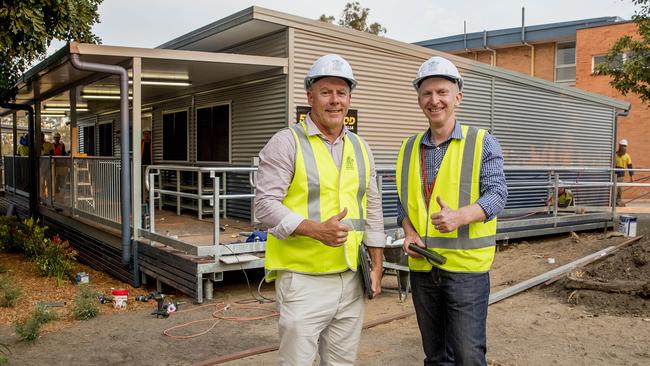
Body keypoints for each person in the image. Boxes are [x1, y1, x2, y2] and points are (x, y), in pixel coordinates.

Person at [254, 54, 385, 365]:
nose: (335, 101)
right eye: (326, 92)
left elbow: (373, 207)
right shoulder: (286, 143)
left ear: (350, 98)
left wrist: (377, 266)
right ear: (310, 96)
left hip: (352, 277)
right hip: (303, 281)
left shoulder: (361, 147)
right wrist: (315, 230)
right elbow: (264, 206)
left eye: (342, 93)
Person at [396, 56, 508, 366]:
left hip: (466, 272)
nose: (435, 100)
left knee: (468, 356)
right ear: (420, 100)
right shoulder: (407, 148)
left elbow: (498, 194)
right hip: (422, 269)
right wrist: (409, 233)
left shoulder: (482, 142)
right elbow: (402, 204)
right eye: (427, 93)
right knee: (435, 357)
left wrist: (461, 216)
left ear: (457, 97)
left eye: (442, 92)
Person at [615, 138, 633, 206]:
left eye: (625, 146)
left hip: (621, 175)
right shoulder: (615, 155)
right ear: (619, 146)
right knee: (614, 188)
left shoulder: (627, 156)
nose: (624, 147)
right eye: (623, 146)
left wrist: (631, 176)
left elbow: (630, 166)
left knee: (620, 189)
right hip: (614, 174)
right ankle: (613, 201)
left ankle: (618, 201)